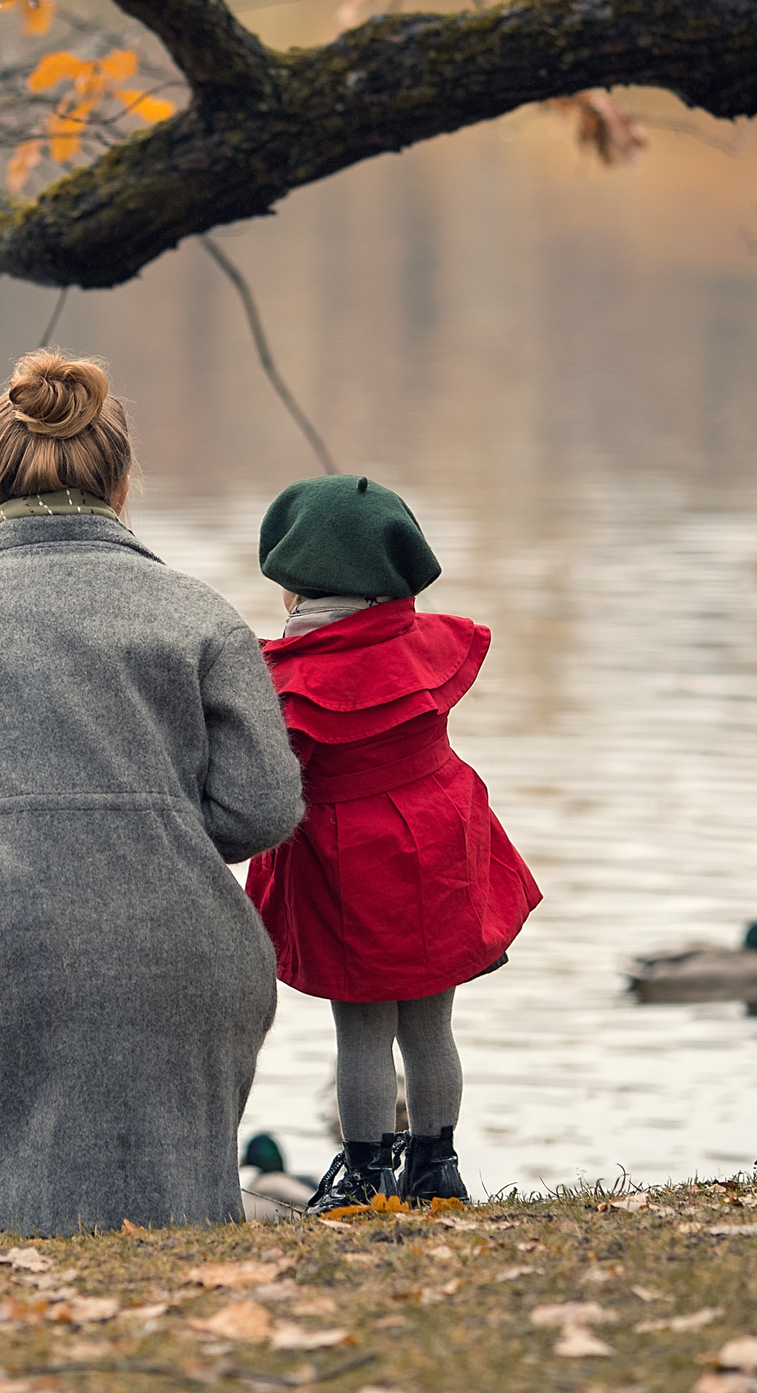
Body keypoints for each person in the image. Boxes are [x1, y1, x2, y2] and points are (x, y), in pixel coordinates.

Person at [0, 351, 305, 1241]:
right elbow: (265, 807)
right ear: (122, 480)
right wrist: (153, 830)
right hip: (191, 960)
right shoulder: (199, 615)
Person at [243, 475, 542, 1209]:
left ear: (299, 585)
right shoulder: (425, 646)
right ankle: (437, 1169)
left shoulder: (299, 678)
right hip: (440, 839)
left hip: (354, 861)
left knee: (363, 1026)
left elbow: (280, 781)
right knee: (432, 1022)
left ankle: (367, 1173)